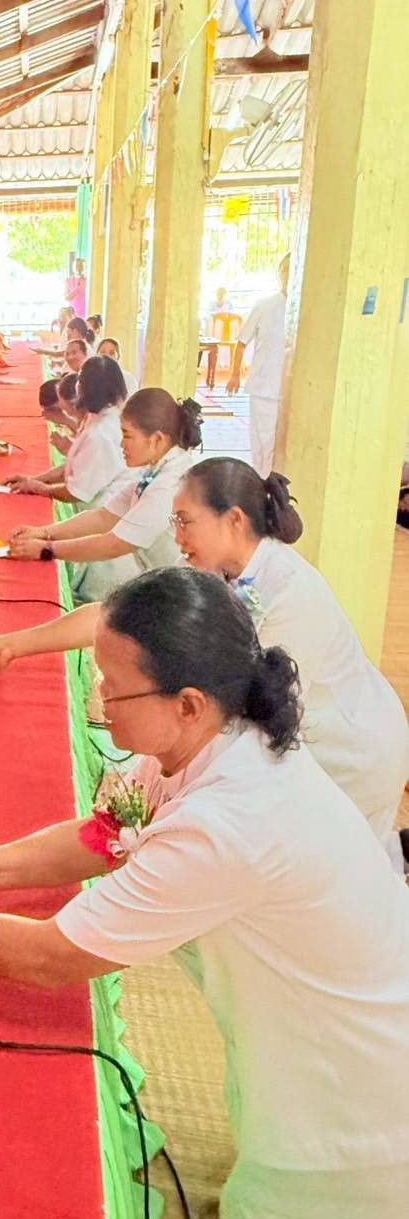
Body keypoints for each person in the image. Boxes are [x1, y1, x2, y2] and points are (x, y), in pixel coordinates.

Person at [0, 568, 409, 1219]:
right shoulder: (213, 737)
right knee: (279, 1180)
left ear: (185, 703)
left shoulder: (231, 820)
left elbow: (52, 954)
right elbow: (103, 834)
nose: (97, 700)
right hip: (317, 1013)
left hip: (361, 1053)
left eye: (112, 685)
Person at [172, 458, 409, 853]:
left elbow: (264, 712)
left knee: (336, 870)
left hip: (353, 750)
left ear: (233, 520)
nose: (178, 536)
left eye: (185, 521)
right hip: (307, 740)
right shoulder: (220, 569)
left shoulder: (290, 593)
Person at [8, 389, 202, 590]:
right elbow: (105, 516)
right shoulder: (156, 467)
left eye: (127, 436)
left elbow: (115, 544)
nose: (121, 444)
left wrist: (46, 549)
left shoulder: (171, 482)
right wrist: (43, 533)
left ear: (156, 439)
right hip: (155, 573)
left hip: (174, 588)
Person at [8, 358, 138, 601]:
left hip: (108, 533)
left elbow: (78, 492)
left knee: (99, 599)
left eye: (80, 381)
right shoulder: (98, 419)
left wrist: (38, 489)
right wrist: (34, 481)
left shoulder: (103, 432)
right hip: (103, 516)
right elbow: (74, 464)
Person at [226, 255, 290, 475]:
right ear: (279, 274)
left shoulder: (307, 308)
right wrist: (235, 374)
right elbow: (242, 342)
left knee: (283, 446)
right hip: (264, 387)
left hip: (291, 391)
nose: (289, 275)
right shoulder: (265, 306)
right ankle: (262, 483)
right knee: (262, 443)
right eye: (285, 270)